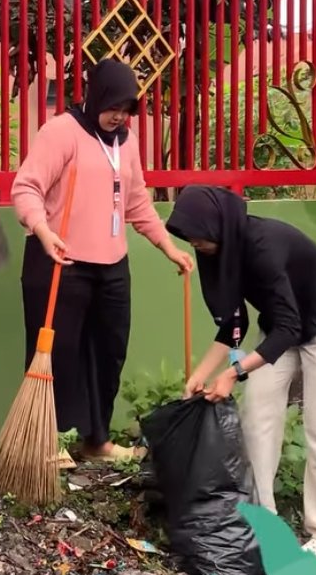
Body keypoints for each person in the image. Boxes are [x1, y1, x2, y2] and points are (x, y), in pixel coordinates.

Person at [11, 58, 194, 463]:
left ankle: (96, 442)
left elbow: (137, 202)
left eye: (127, 109)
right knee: (57, 356)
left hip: (111, 266)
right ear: (96, 97)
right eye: (114, 106)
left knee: (108, 352)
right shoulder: (62, 133)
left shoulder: (126, 142)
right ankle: (47, 445)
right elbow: (25, 188)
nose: (119, 116)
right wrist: (43, 231)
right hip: (60, 260)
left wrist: (168, 247)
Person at [165, 184, 316, 563]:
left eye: (199, 237)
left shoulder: (262, 245)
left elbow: (290, 327)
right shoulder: (217, 251)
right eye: (189, 239)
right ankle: (263, 519)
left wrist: (234, 373)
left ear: (218, 226)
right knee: (257, 417)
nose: (194, 245)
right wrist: (203, 374)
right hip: (281, 326)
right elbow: (234, 322)